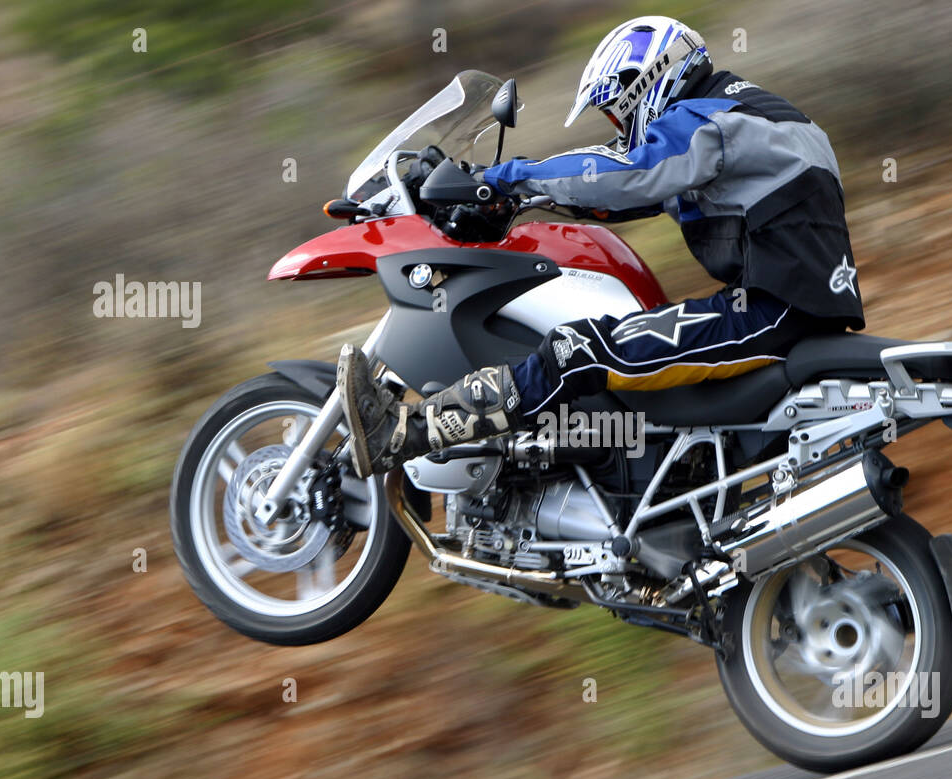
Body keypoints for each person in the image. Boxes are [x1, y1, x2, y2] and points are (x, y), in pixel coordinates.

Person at [336, 15, 864, 479]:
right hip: (785, 306)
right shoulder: (748, 113)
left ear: (646, 85)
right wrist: (528, 200)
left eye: (617, 114)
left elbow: (628, 173)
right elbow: (625, 196)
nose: (620, 130)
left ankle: (404, 433)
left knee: (574, 351)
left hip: (773, 314)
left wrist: (503, 179)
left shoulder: (709, 120)